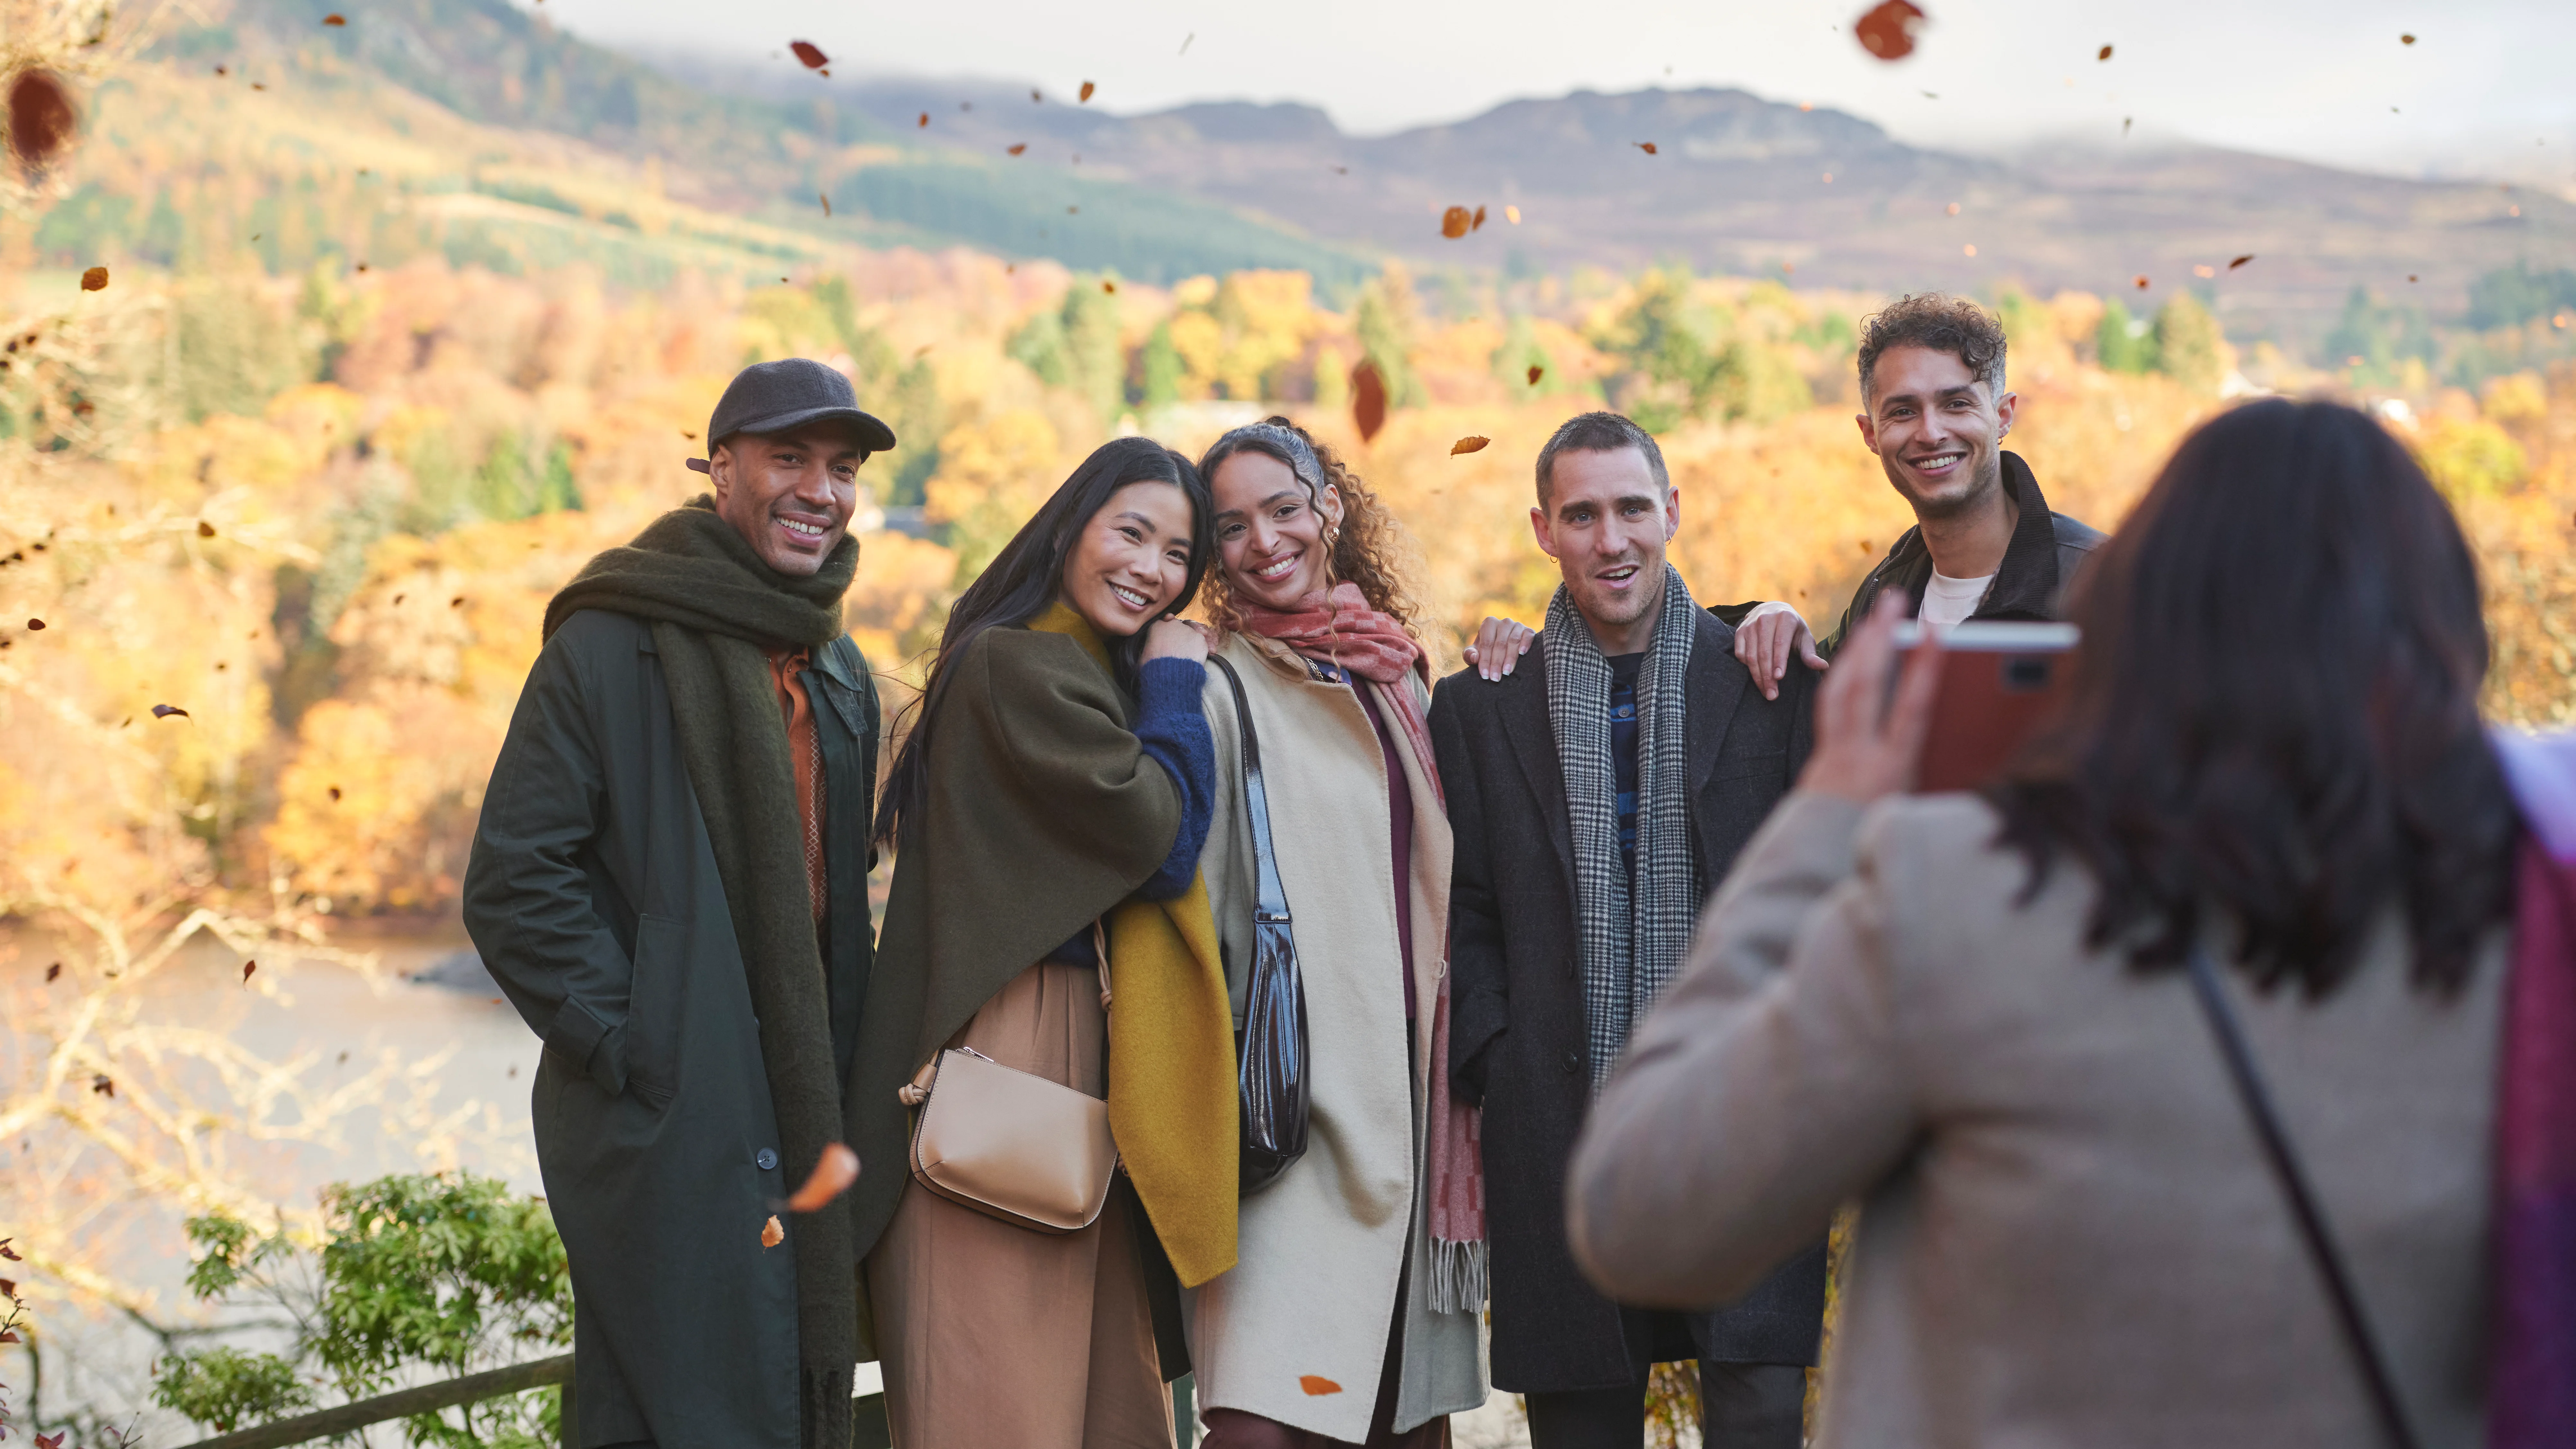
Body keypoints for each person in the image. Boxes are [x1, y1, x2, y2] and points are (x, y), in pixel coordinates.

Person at [1566, 399, 2531, 1448]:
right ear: (2449, 630)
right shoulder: (2531, 938)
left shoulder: (1969, 904)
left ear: (2141, 621)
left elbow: (1641, 1211)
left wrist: (1828, 816)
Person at [463, 357, 893, 1449]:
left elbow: (841, 913)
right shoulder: (611, 643)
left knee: (784, 1391)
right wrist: (645, 1041)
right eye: (789, 458)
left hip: (806, 1106)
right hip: (662, 1116)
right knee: (664, 1404)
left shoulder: (840, 672)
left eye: (842, 469)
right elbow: (515, 881)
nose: (821, 490)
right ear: (721, 470)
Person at [1428, 411, 1824, 1449]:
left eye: (1633, 508)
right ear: (1543, 530)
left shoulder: (1768, 677)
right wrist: (1501, 1056)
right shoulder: (1479, 706)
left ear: (1672, 513)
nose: (1612, 539)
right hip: (1559, 1131)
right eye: (1583, 515)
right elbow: (1465, 904)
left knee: (1761, 1417)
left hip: (1748, 1127)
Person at [849, 436, 1235, 1449]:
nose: (1152, 569)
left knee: (1104, 1407)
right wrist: (1175, 685)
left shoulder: (1080, 668)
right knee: (997, 1408)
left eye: (1178, 554)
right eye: (1132, 533)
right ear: (1071, 527)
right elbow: (1161, 841)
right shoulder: (1018, 666)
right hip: (1013, 1053)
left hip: (1073, 1069)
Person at [1182, 418, 1488, 1448]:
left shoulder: (1396, 674)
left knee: (1400, 1421)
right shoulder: (1214, 682)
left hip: (1410, 1100)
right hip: (1285, 1113)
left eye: (1283, 509)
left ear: (1331, 507)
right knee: (1259, 1417)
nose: (1264, 541)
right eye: (1232, 526)